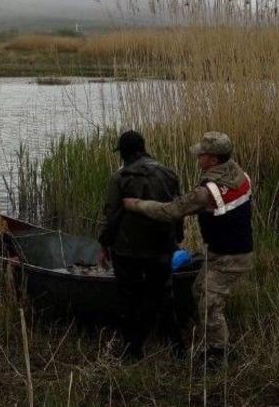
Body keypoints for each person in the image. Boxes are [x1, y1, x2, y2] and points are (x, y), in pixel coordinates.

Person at [122, 131, 253, 367]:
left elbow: (169, 211)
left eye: (201, 155)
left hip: (229, 257)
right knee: (199, 289)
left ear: (213, 160)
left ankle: (218, 354)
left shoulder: (206, 193)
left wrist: (136, 204)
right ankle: (214, 343)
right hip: (228, 252)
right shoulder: (240, 175)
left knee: (208, 306)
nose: (198, 159)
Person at [97, 130, 183, 361]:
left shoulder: (120, 178)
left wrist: (104, 244)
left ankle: (132, 351)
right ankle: (177, 348)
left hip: (128, 249)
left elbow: (112, 214)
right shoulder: (169, 173)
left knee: (129, 299)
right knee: (165, 295)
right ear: (143, 148)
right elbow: (179, 209)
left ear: (126, 153)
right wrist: (177, 239)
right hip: (162, 246)